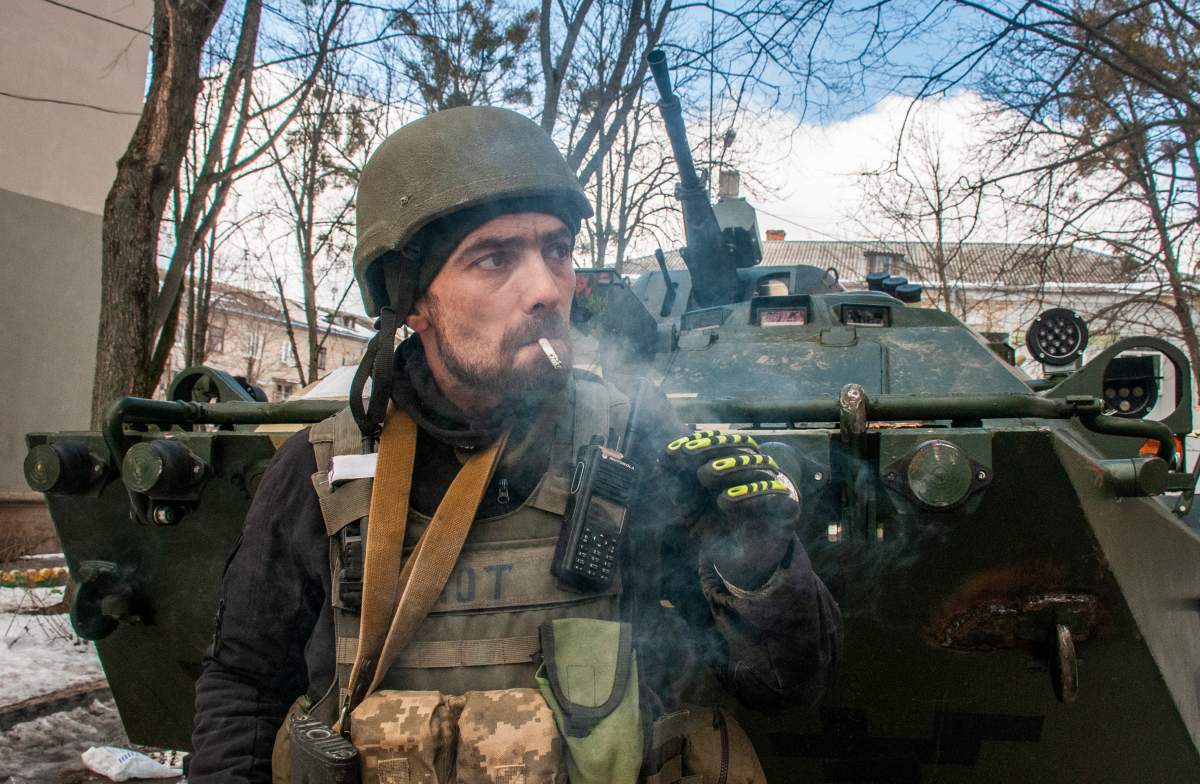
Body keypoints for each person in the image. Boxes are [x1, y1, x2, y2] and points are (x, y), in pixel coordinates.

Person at [189, 106, 842, 783]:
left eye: (556, 250)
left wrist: (761, 565)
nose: (545, 289)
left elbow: (784, 687)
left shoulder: (636, 442)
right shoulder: (323, 474)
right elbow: (243, 688)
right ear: (408, 296)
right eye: (494, 258)